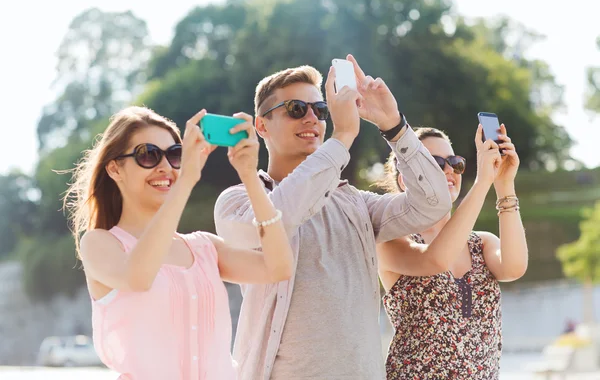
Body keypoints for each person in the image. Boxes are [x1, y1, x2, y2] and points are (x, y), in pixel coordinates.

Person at [214, 55, 452, 380]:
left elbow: (434, 204)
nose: (312, 118)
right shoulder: (238, 201)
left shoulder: (356, 204)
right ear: (261, 125)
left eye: (321, 110)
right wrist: (341, 138)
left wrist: (394, 126)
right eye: (297, 109)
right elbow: (276, 221)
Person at [63, 106, 293, 380]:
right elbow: (138, 277)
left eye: (174, 155)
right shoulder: (100, 243)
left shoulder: (204, 248)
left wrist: (249, 176)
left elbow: (279, 268)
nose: (165, 167)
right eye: (148, 155)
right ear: (114, 168)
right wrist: (185, 181)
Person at [377, 125, 529, 379]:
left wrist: (503, 184)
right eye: (434, 162)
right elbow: (435, 259)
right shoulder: (391, 241)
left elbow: (515, 268)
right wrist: (482, 182)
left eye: (455, 163)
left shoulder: (482, 244)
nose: (449, 170)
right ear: (404, 179)